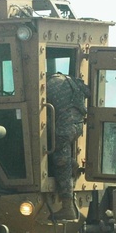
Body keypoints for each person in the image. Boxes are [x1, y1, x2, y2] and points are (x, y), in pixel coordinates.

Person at [46, 72, 90, 220]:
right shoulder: (68, 81)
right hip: (76, 126)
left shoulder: (49, 84)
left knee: (61, 160)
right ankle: (74, 166)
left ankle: (67, 207)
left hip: (64, 129)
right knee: (63, 157)